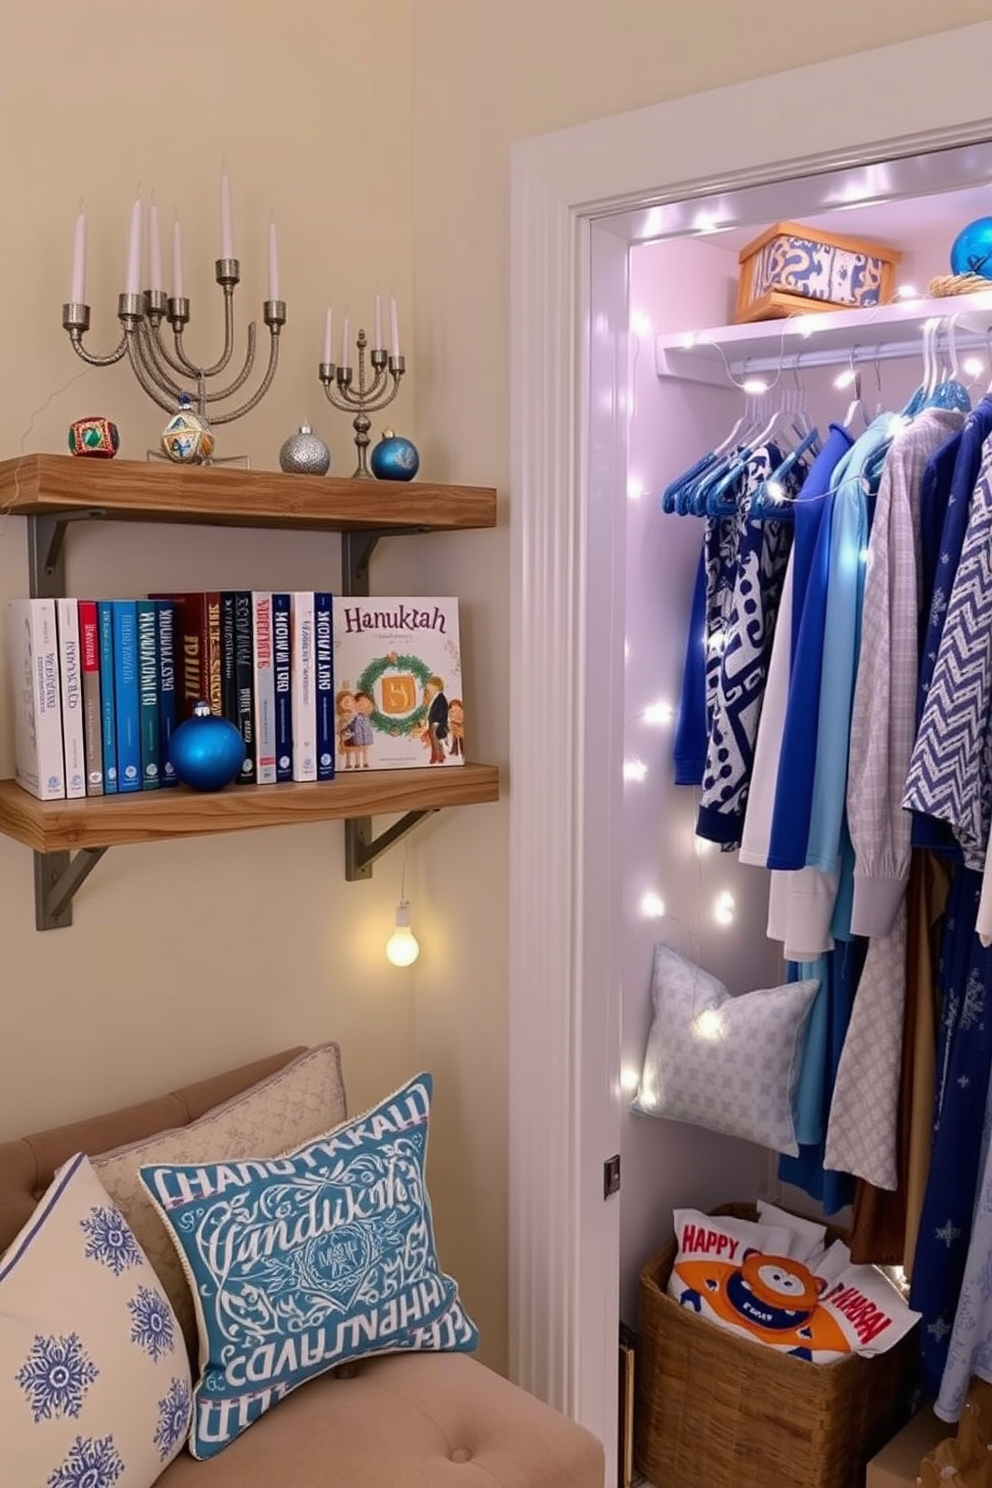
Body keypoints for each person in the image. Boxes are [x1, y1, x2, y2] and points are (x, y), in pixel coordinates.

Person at [423, 675, 449, 765]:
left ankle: (437, 757)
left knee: (436, 741)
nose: (428, 688)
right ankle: (439, 756)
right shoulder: (435, 698)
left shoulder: (441, 698)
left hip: (438, 724)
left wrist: (436, 723)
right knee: (435, 742)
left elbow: (442, 712)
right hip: (433, 724)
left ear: (437, 686)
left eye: (430, 686)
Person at [351, 690, 375, 768]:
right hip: (358, 734)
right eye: (361, 704)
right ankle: (357, 762)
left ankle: (365, 762)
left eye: (366, 704)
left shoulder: (367, 716)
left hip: (366, 734)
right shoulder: (356, 716)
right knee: (357, 749)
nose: (363, 706)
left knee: (365, 749)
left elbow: (368, 727)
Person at [335, 688, 356, 768]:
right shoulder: (342, 718)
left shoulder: (356, 715)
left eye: (349, 700)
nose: (347, 703)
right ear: (340, 704)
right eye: (344, 701)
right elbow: (339, 730)